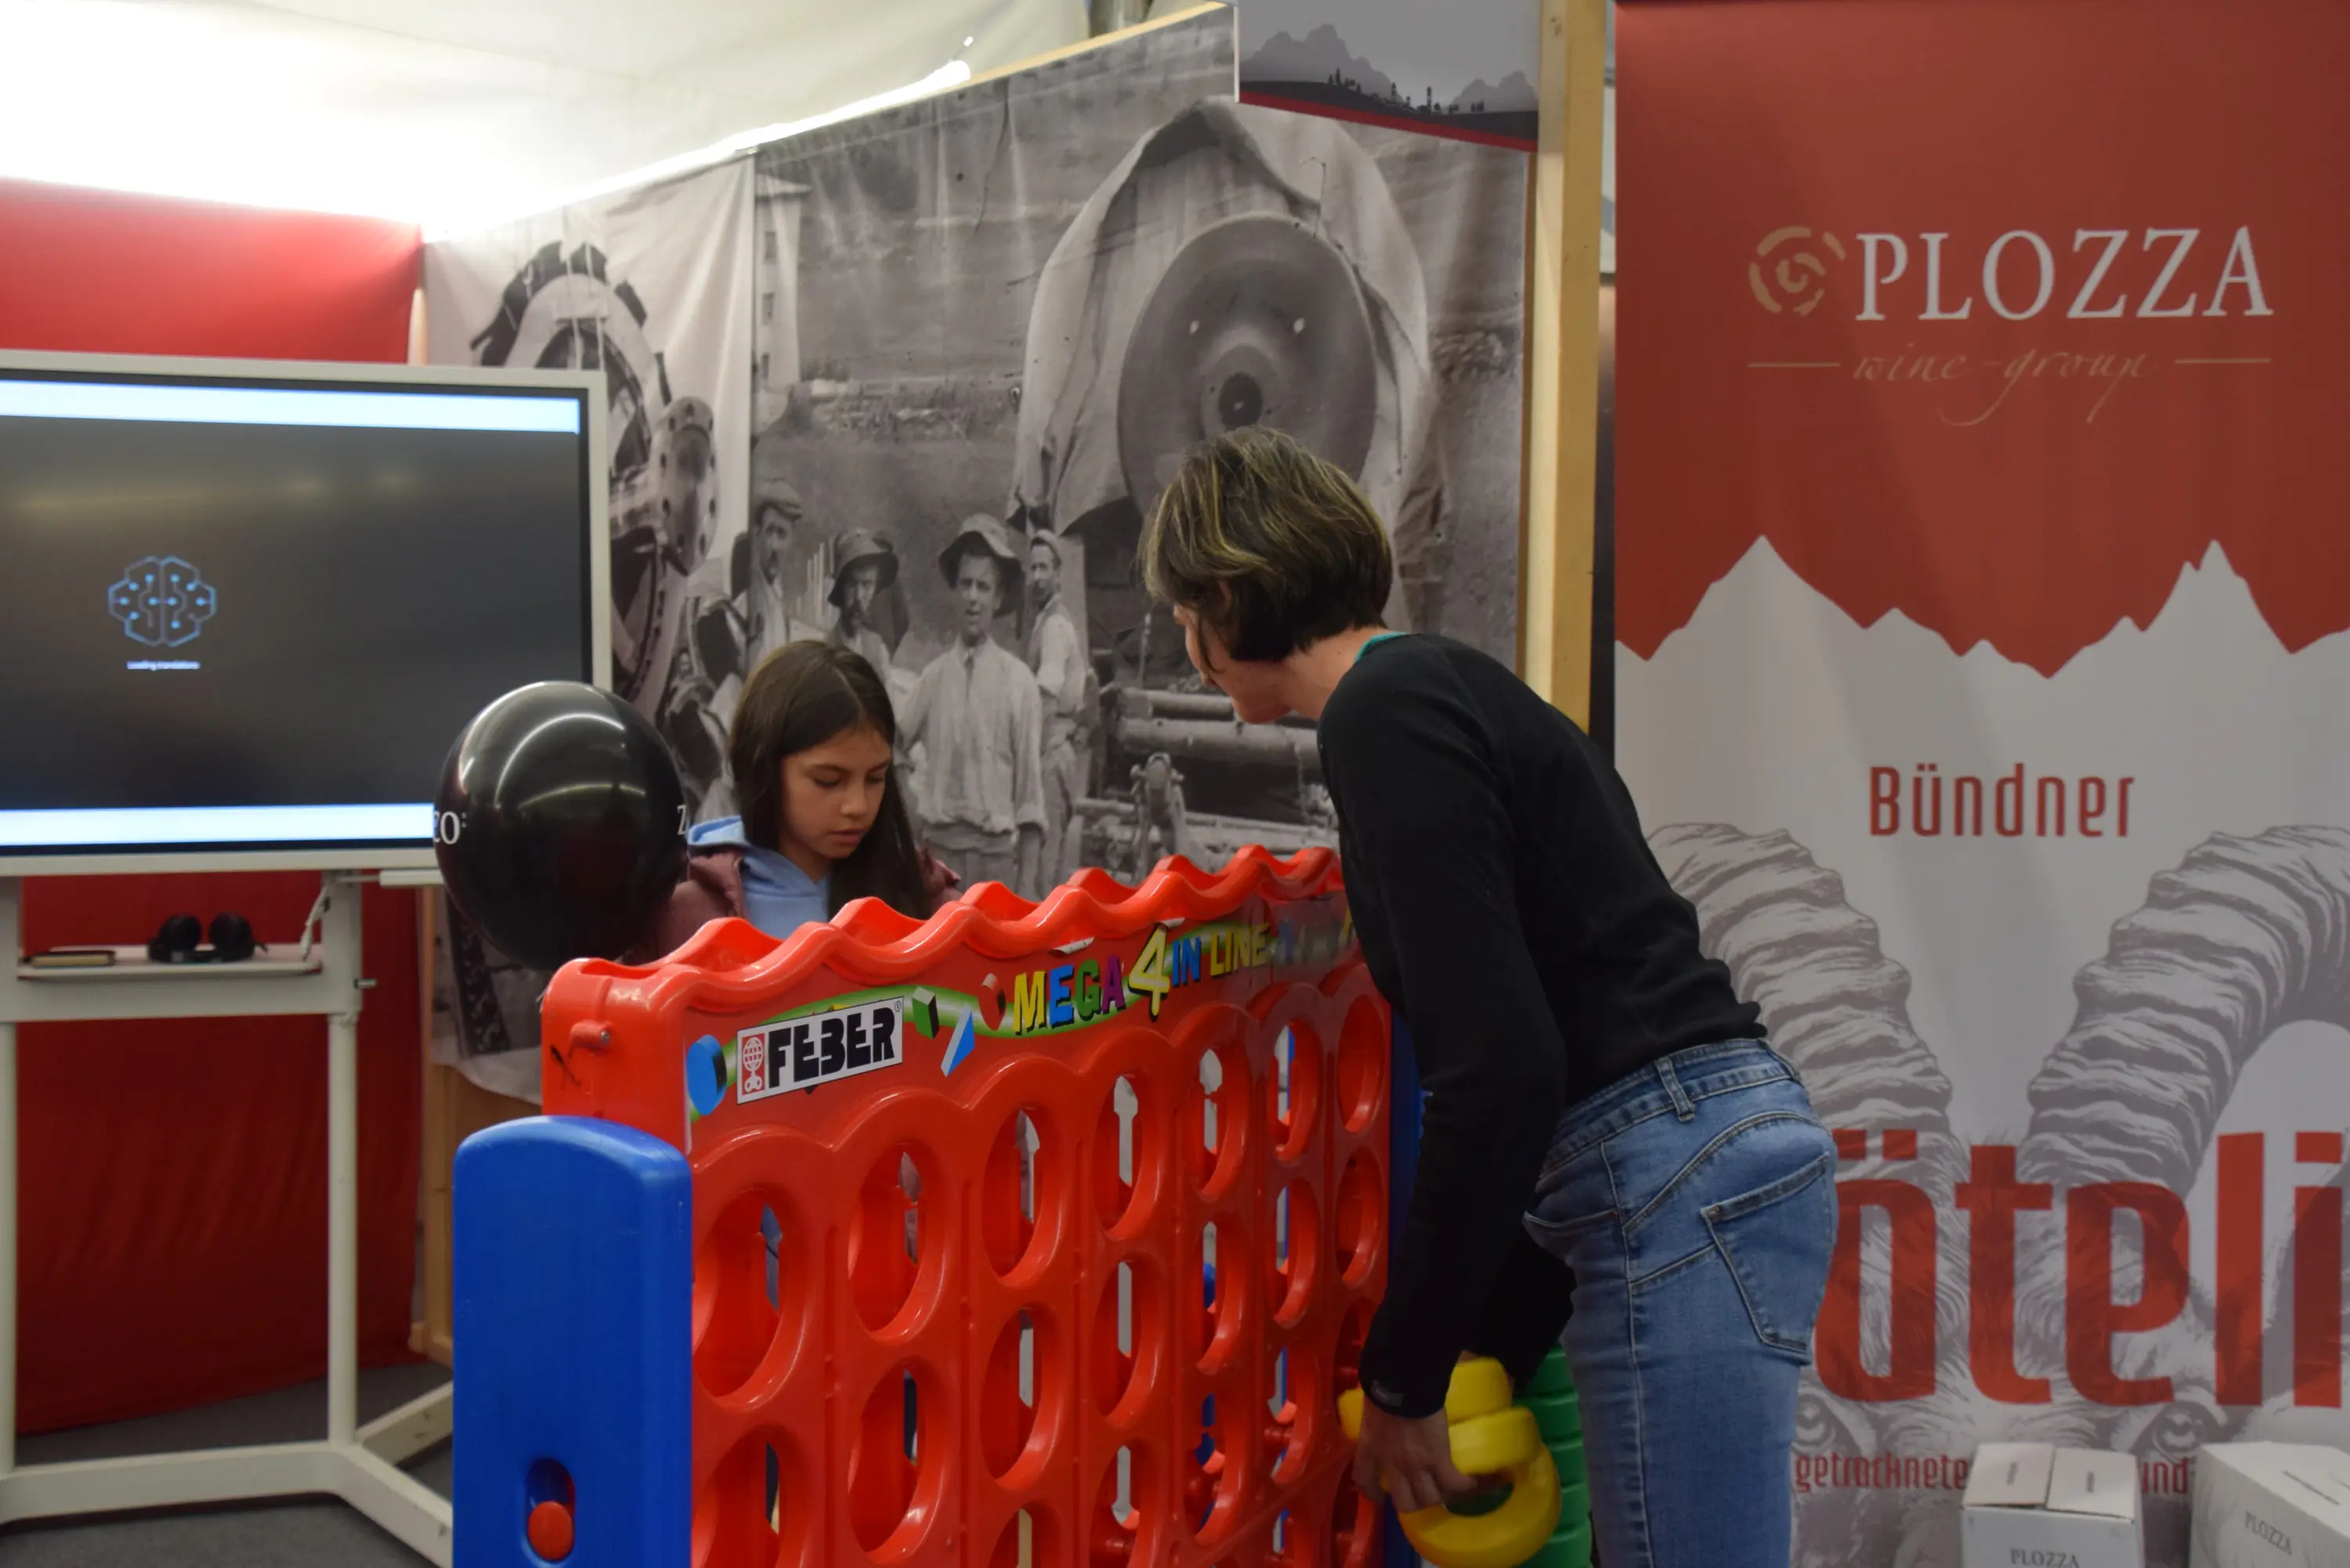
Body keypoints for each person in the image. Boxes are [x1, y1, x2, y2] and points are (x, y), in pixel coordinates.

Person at [1137, 427, 1836, 1568]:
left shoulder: (1384, 714)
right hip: (1692, 1158)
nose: (1183, 639)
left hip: (1673, 1172)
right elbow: (1561, 1044)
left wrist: (1408, 1375)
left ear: (1226, 591)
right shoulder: (1441, 688)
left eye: (1182, 610)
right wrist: (1486, 1352)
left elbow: (1505, 1072)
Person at [641, 641, 959, 957]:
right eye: (829, 781)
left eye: (876, 778)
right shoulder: (682, 922)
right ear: (762, 766)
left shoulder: (928, 901)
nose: (858, 806)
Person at [899, 515, 1048, 898]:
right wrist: (912, 811)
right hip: (938, 863)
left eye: (983, 587)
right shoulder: (932, 679)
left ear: (998, 598)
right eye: (965, 584)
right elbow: (889, 745)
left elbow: (1031, 801)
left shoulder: (1019, 684)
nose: (973, 597)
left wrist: (1027, 892)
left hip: (995, 865)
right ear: (954, 591)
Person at [1025, 530, 1089, 885]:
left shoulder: (1054, 626)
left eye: (1044, 568)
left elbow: (1046, 699)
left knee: (1043, 872)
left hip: (1051, 751)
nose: (1037, 577)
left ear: (1058, 574)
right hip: (1054, 747)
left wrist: (1030, 760)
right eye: (1032, 568)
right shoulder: (1043, 621)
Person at [829, 528, 900, 675]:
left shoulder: (877, 650)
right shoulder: (824, 652)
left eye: (867, 585)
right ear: (841, 587)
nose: (858, 596)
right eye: (852, 584)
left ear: (875, 588)